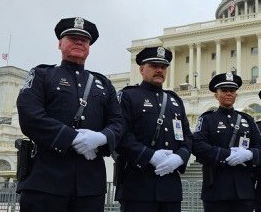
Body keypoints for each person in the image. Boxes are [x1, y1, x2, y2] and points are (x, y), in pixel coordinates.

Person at [16, 17, 125, 212]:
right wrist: (72, 138)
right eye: (72, 37)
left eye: (84, 40)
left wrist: (101, 137)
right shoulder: (42, 75)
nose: (79, 42)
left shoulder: (104, 84)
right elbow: (30, 115)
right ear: (60, 43)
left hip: (90, 187)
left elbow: (118, 122)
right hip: (45, 183)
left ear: (89, 46)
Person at [114, 46, 192, 212]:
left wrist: (180, 157)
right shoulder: (129, 96)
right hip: (138, 188)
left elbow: (187, 137)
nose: (159, 70)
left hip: (170, 189)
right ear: (142, 69)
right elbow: (120, 135)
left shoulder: (174, 101)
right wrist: (150, 156)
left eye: (163, 67)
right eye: (154, 66)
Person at [192, 72, 261, 212]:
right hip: (216, 190)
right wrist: (226, 154)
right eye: (224, 90)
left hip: (244, 191)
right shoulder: (207, 119)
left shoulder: (248, 120)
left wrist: (249, 154)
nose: (228, 93)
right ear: (216, 95)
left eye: (232, 90)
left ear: (236, 94)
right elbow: (197, 145)